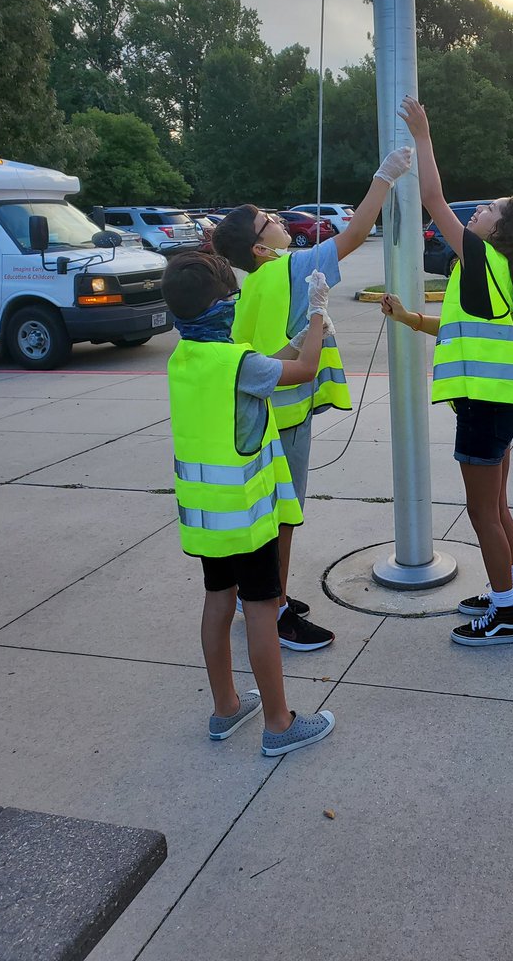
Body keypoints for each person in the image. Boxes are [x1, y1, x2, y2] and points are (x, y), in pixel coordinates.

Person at [211, 148, 411, 651]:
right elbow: (354, 236)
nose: (278, 221)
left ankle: (257, 597)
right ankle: (274, 610)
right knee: (283, 517)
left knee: (271, 513)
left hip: (259, 417)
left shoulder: (256, 283)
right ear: (259, 248)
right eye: (268, 222)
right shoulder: (289, 269)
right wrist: (383, 178)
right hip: (285, 417)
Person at [381, 95, 513, 646]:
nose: (476, 212)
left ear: (498, 232)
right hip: (498, 404)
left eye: (486, 211)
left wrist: (425, 135)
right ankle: (512, 589)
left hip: (485, 405)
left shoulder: (481, 258)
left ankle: (505, 613)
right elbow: (459, 328)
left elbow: (432, 197)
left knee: (481, 512)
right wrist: (410, 318)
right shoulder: (490, 271)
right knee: (496, 506)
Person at [162, 250, 335, 756]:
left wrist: (301, 334)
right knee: (262, 608)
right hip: (248, 517)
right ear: (222, 308)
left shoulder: (187, 359)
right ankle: (280, 725)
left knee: (219, 601)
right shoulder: (237, 361)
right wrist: (319, 313)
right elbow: (302, 371)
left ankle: (226, 708)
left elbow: (268, 367)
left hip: (207, 518)